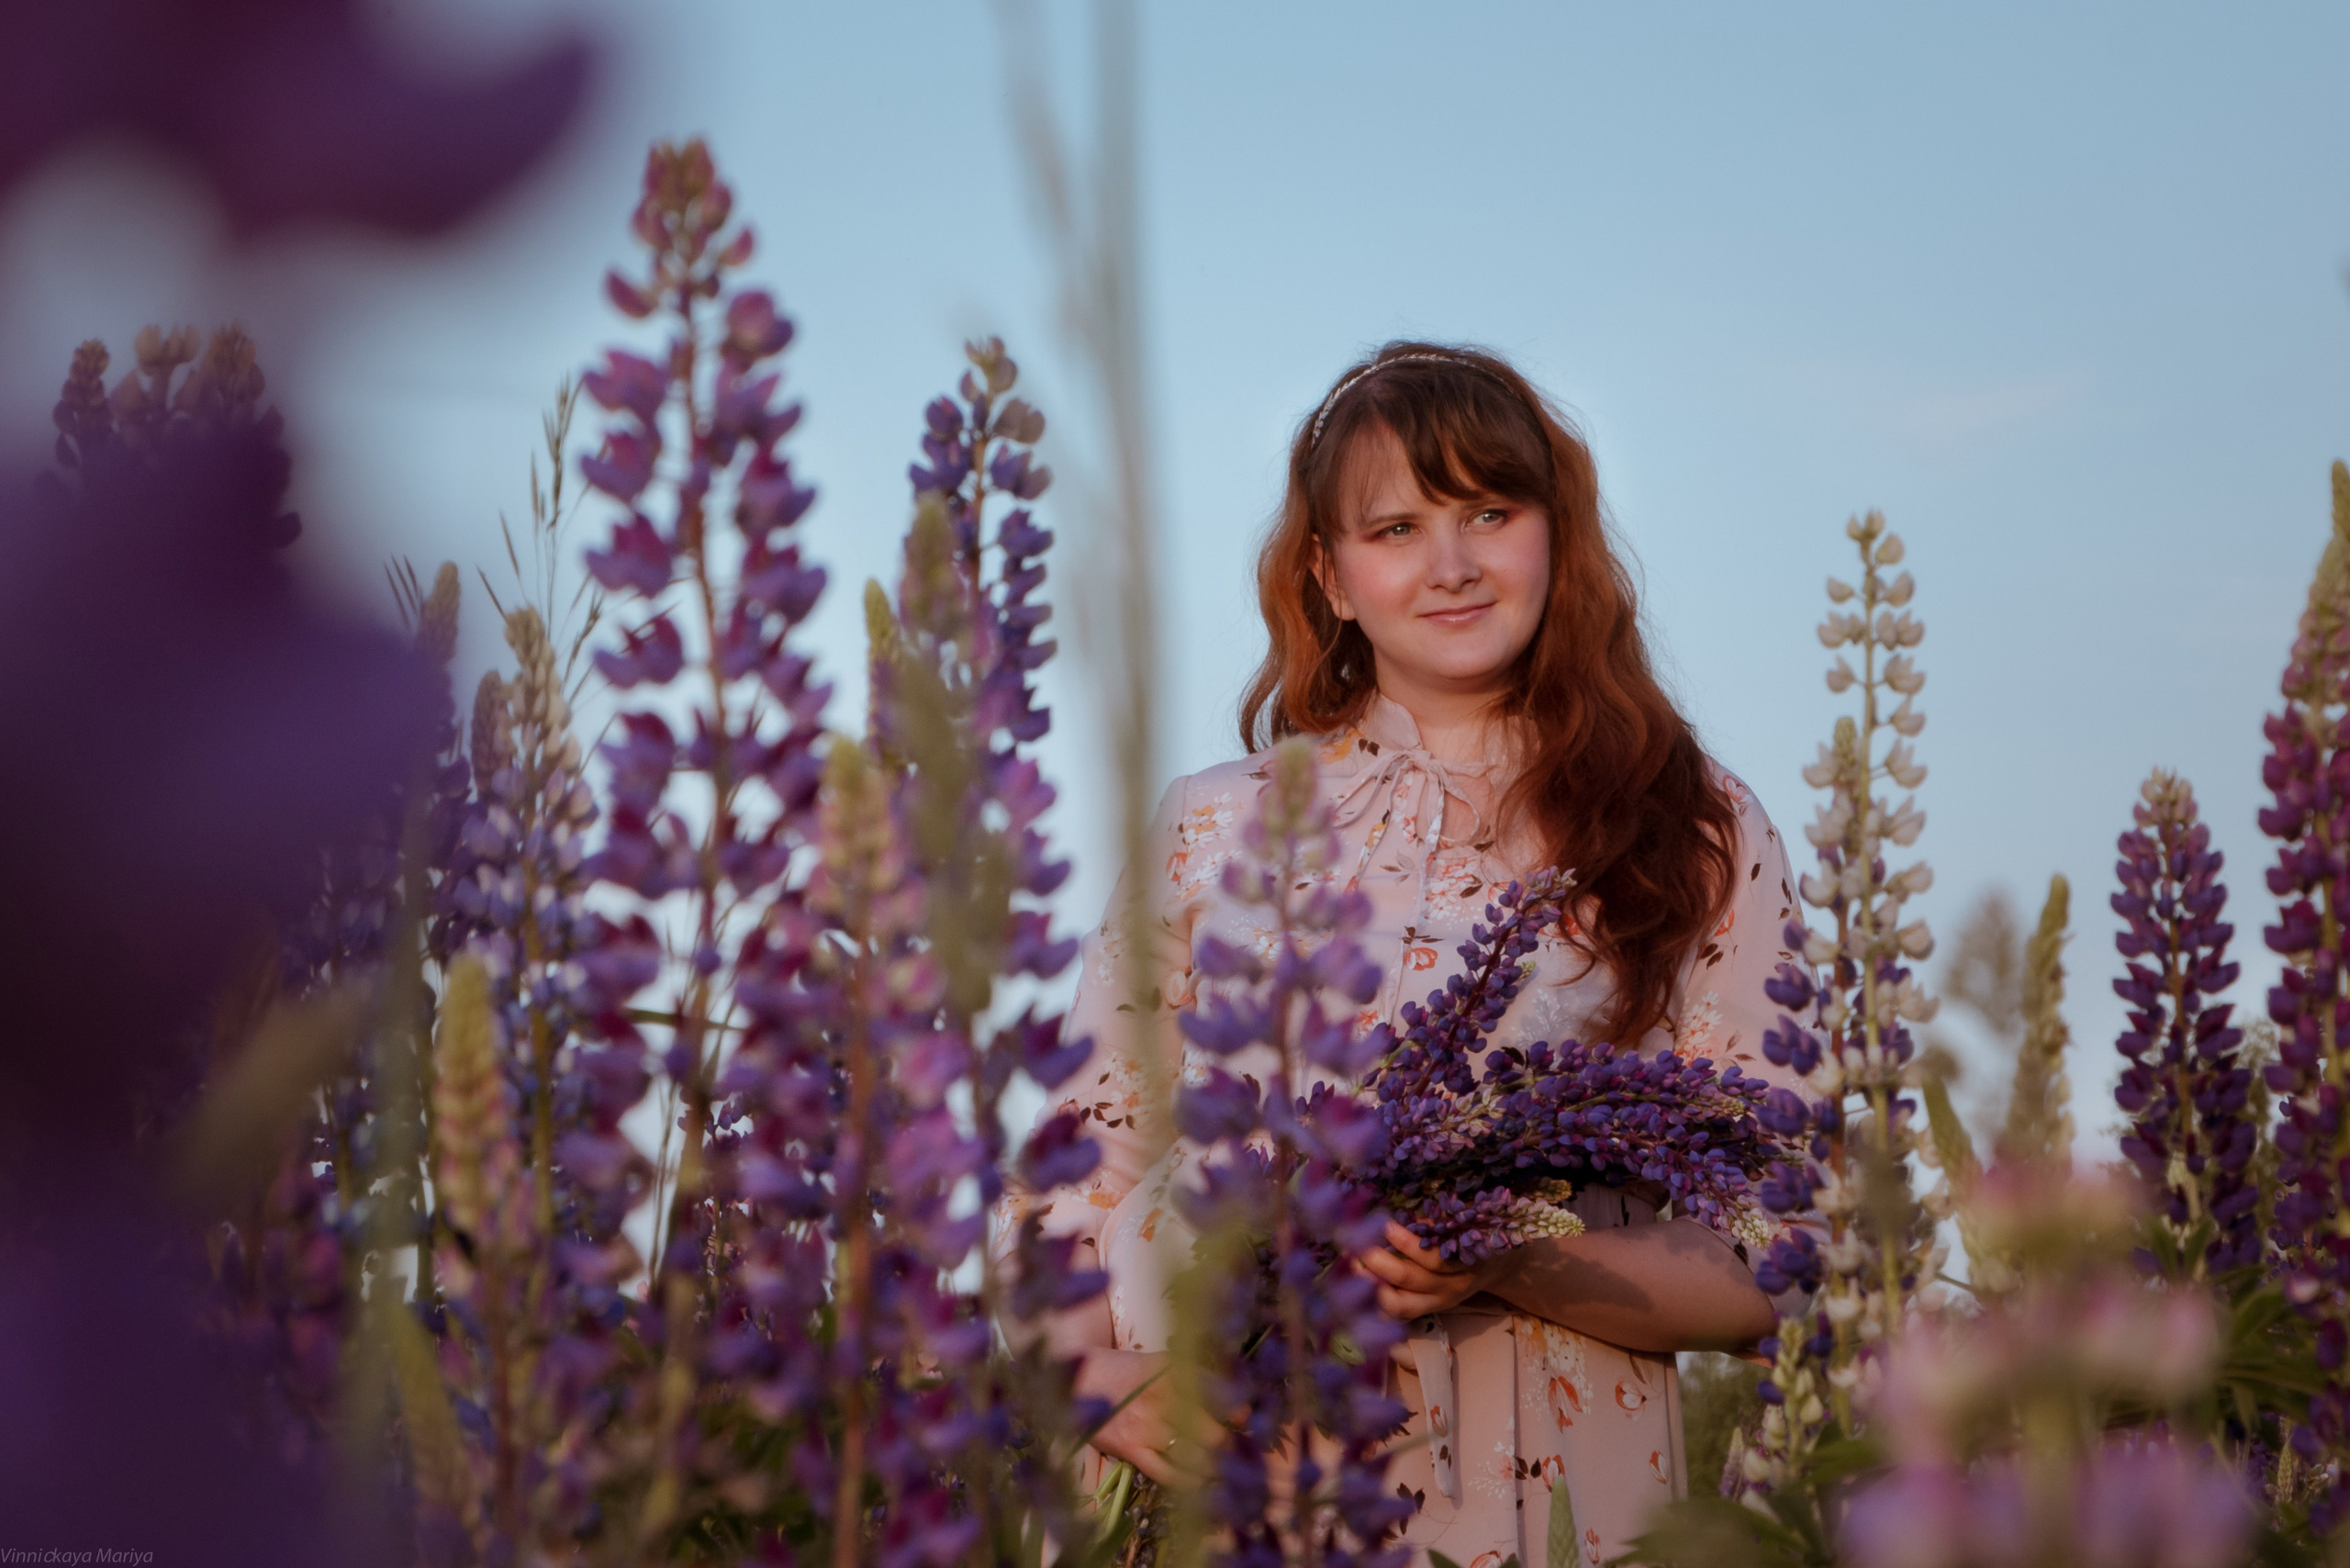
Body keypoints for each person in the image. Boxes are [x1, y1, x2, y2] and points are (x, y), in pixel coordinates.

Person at [998, 342, 1816, 1566]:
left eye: (1491, 511)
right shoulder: (1212, 826)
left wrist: (1512, 1252)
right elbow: (1072, 1189)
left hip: (1563, 1517)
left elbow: (1781, 1252)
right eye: (1395, 528)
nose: (1451, 565)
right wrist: (1101, 1379)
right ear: (1328, 575)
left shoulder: (1690, 824)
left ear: (1558, 534)